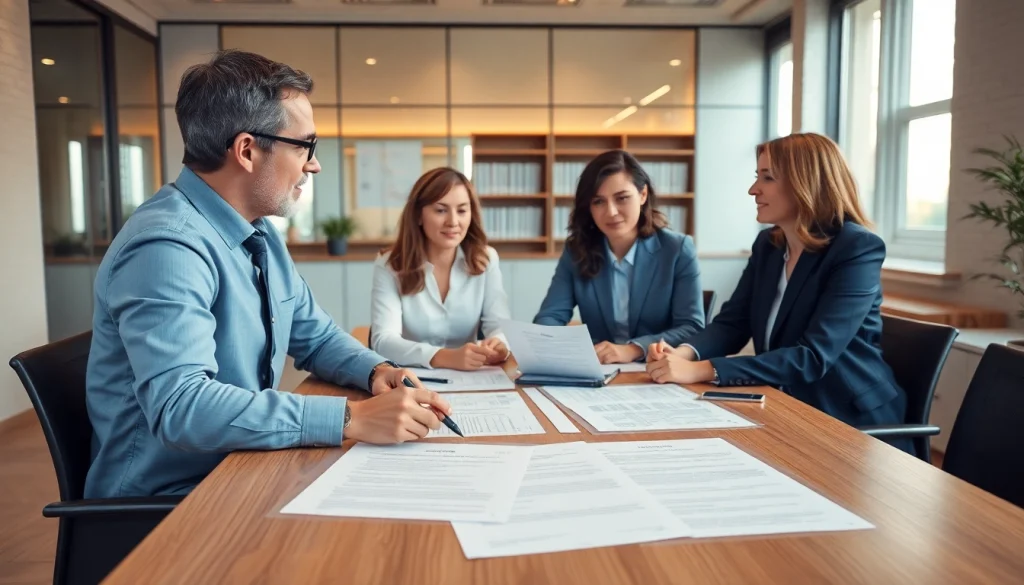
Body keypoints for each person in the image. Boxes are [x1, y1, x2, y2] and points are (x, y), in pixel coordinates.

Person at [84, 50, 451, 499]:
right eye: (304, 146)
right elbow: (183, 407)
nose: (313, 164)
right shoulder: (167, 248)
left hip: (240, 464)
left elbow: (314, 336)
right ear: (247, 150)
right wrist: (349, 417)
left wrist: (376, 370)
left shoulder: (257, 233)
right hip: (170, 502)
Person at [646, 133, 910, 450]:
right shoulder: (769, 245)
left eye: (767, 178)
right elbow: (734, 323)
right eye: (757, 176)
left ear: (805, 183)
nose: (753, 189)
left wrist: (701, 370)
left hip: (849, 422)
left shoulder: (856, 248)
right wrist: (684, 354)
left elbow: (812, 357)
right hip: (784, 405)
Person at [533, 149, 704, 364]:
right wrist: (559, 344)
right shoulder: (576, 250)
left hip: (657, 368)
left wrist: (633, 349)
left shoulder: (677, 249)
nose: (611, 212)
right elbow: (550, 317)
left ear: (642, 195)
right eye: (598, 201)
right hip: (600, 368)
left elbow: (692, 327)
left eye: (622, 198)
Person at [370, 167, 511, 370]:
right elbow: (383, 341)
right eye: (441, 210)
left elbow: (500, 326)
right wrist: (446, 357)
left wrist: (499, 344)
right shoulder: (389, 264)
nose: (453, 222)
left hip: (472, 378)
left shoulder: (486, 259)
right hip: (411, 377)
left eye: (462, 210)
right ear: (418, 216)